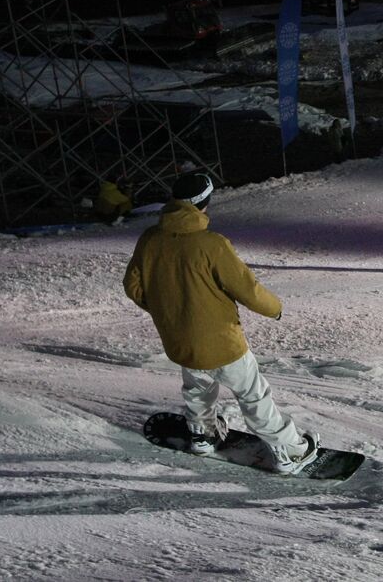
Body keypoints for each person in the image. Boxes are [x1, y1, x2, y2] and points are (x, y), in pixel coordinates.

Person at [123, 172, 320, 475]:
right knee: (253, 394)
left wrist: (167, 311)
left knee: (197, 388)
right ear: (205, 203)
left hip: (180, 339)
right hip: (222, 340)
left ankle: (201, 436)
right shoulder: (212, 244)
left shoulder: (150, 238)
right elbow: (247, 288)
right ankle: (288, 450)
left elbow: (133, 287)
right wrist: (275, 308)